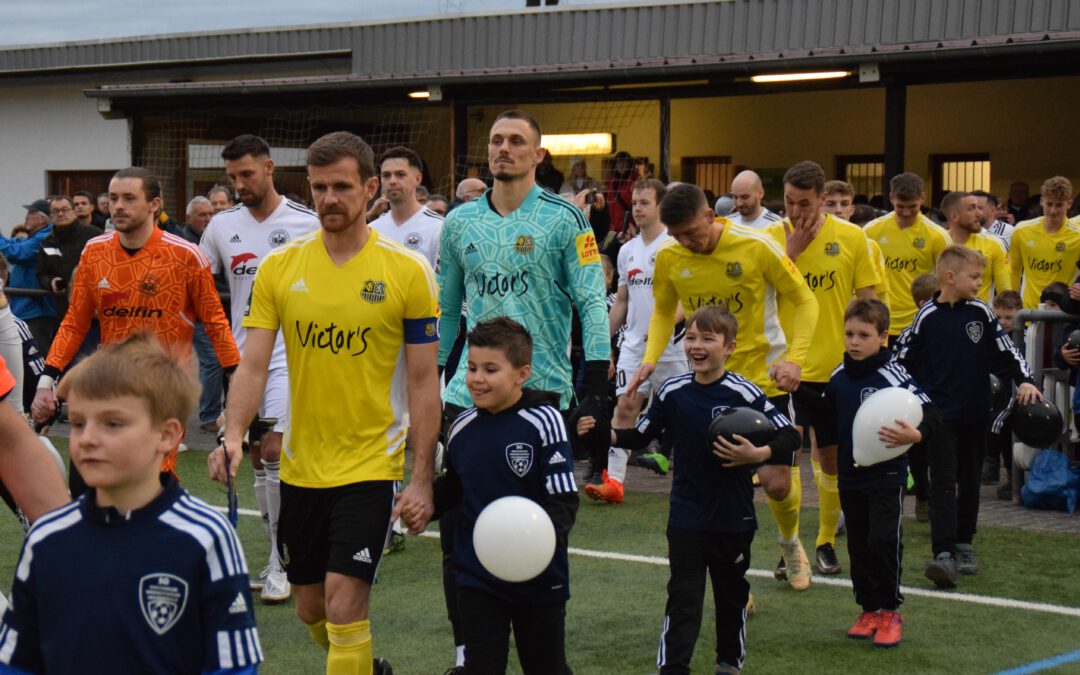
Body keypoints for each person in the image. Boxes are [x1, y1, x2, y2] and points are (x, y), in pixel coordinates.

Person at [209, 130, 440, 675]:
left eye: (341, 186)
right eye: (319, 188)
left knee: (343, 605)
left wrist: (422, 476)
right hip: (301, 465)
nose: (329, 198)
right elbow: (256, 363)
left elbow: (424, 380)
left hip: (369, 463)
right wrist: (234, 433)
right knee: (310, 608)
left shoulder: (407, 270)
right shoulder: (281, 269)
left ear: (370, 188)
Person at [437, 109, 610, 671]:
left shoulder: (567, 220)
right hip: (469, 392)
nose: (503, 149)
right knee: (459, 525)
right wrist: (434, 384)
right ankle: (471, 651)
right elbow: (446, 310)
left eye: (516, 142)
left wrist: (597, 383)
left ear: (539, 155)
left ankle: (542, 650)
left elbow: (590, 299)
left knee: (542, 520)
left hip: (544, 394)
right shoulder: (460, 222)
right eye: (495, 141)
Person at [0, 333, 262, 674]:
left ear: (167, 435)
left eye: (112, 423)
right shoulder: (47, 538)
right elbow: (18, 661)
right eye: (78, 423)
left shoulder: (206, 537)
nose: (88, 438)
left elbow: (234, 666)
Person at [582, 305, 799, 674]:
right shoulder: (673, 391)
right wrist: (602, 431)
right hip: (686, 515)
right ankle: (672, 668)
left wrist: (757, 452)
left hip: (733, 517)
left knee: (731, 597)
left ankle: (728, 663)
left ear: (729, 347)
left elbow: (790, 435)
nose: (697, 346)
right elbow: (640, 435)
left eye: (708, 339)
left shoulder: (744, 392)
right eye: (692, 338)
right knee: (683, 597)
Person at [629, 182, 819, 591]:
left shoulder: (756, 246)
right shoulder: (669, 257)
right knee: (718, 479)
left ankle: (789, 543)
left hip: (763, 380)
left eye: (693, 233)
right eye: (677, 235)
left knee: (776, 482)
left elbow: (804, 300)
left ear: (712, 217)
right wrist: (650, 359)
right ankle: (733, 578)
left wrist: (795, 359)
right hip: (711, 385)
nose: (687, 243)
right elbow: (664, 311)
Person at [30, 168, 240, 494]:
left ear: (154, 204)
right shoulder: (95, 251)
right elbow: (74, 322)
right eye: (113, 198)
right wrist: (47, 382)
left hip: (160, 393)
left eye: (129, 198)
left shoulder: (186, 255)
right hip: (106, 386)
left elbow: (216, 324)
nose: (118, 206)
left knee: (144, 495)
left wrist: (235, 393)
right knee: (87, 493)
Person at [201, 134, 321, 603]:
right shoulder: (220, 226)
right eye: (232, 177)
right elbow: (197, 281)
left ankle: (279, 562)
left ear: (270, 168)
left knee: (273, 451)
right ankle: (277, 553)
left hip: (292, 357)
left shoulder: (305, 222)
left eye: (246, 175)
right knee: (251, 457)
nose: (238, 185)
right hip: (244, 360)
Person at [434, 317, 578, 675]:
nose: (476, 379)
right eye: (471, 368)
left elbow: (563, 502)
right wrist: (422, 505)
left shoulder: (545, 420)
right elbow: (453, 490)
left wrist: (533, 545)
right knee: (481, 668)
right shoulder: (462, 426)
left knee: (547, 668)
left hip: (540, 577)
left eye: (490, 369)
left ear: (522, 374)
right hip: (477, 576)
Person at [794, 298, 940, 648]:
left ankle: (890, 611)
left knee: (883, 540)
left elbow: (932, 414)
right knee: (859, 545)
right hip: (850, 474)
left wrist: (915, 435)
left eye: (864, 335)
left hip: (887, 475)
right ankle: (868, 609)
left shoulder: (894, 375)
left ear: (883, 337)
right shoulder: (839, 375)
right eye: (849, 334)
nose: (854, 342)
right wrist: (796, 390)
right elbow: (829, 413)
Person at [897, 246, 1039, 588]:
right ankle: (942, 552)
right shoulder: (926, 317)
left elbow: (1008, 351)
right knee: (943, 480)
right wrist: (905, 396)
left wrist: (1027, 381)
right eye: (974, 277)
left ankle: (964, 542)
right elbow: (901, 359)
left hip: (976, 411)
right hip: (939, 415)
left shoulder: (981, 313)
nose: (979, 283)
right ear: (950, 277)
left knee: (971, 477)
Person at [766, 161, 880, 577]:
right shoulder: (769, 240)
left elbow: (868, 303)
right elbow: (761, 293)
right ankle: (790, 545)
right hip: (783, 368)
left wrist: (868, 355)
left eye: (805, 203)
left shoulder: (852, 238)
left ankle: (826, 541)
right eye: (790, 203)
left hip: (835, 369)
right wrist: (790, 251)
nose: (796, 212)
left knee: (830, 459)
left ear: (822, 199)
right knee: (787, 459)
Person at [589, 178, 687, 503]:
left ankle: (691, 482)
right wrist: (603, 340)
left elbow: (689, 297)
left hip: (673, 346)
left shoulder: (676, 245)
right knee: (626, 405)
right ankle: (614, 482)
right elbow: (622, 301)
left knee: (684, 413)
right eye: (634, 203)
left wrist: (666, 325)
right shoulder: (627, 250)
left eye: (645, 202)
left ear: (661, 206)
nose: (637, 208)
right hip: (633, 344)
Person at [865, 173, 952, 343]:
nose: (906, 212)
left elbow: (948, 281)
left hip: (920, 321)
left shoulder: (937, 235)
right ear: (891, 198)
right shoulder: (871, 231)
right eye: (900, 206)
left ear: (922, 198)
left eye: (912, 206)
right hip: (880, 320)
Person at [1009, 176, 1080, 309]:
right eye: (1049, 204)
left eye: (1059, 205)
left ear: (1069, 204)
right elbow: (1014, 270)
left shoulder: (1078, 235)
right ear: (1042, 201)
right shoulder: (1022, 230)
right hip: (1028, 310)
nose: (1053, 210)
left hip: (1064, 313)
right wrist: (1013, 301)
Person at [370, 146, 443, 268]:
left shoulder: (439, 227)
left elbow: (441, 283)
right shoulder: (371, 230)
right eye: (386, 175)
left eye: (400, 174)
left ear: (418, 179)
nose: (392, 181)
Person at [823, 179, 891, 309]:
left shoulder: (870, 246)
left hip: (855, 325)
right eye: (831, 204)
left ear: (852, 209)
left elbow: (881, 294)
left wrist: (881, 325)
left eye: (844, 204)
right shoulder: (807, 242)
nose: (838, 210)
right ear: (820, 205)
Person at [37, 195, 102, 322]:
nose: (60, 214)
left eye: (65, 209)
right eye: (56, 211)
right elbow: (41, 274)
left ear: (73, 211)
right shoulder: (47, 242)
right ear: (50, 216)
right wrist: (51, 282)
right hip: (64, 309)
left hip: (94, 308)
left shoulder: (93, 234)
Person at [985, 290, 1023, 498]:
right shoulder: (989, 337)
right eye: (998, 317)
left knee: (1000, 422)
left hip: (1015, 392)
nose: (1003, 322)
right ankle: (992, 466)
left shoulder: (1022, 337)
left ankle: (1008, 474)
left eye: (1009, 317)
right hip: (993, 391)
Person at [941, 191, 1011, 302]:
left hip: (979, 318)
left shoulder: (994, 244)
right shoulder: (938, 242)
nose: (978, 214)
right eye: (971, 209)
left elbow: (1006, 293)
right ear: (954, 216)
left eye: (978, 208)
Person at [6, 200, 56, 355]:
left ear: (42, 218)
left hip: (36, 308)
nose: (26, 217)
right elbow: (16, 247)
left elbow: (18, 253)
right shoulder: (34, 237)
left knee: (36, 355)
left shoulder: (45, 237)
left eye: (30, 213)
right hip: (25, 306)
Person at [603, 151, 639, 233]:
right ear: (615, 165)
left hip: (630, 227)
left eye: (625, 162)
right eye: (619, 162)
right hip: (613, 227)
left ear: (629, 164)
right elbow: (609, 205)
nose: (621, 165)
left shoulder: (635, 181)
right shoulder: (611, 182)